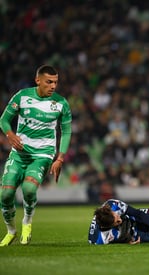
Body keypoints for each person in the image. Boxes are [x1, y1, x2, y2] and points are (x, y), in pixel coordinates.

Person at [0, 65, 72, 246]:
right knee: (6, 195)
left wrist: (60, 157)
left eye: (55, 82)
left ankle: (27, 222)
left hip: (43, 154)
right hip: (19, 153)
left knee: (29, 189)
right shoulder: (22, 96)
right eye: (49, 82)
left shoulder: (61, 103)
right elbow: (4, 120)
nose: (53, 86)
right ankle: (11, 231)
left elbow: (66, 131)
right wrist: (10, 135)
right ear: (38, 80)